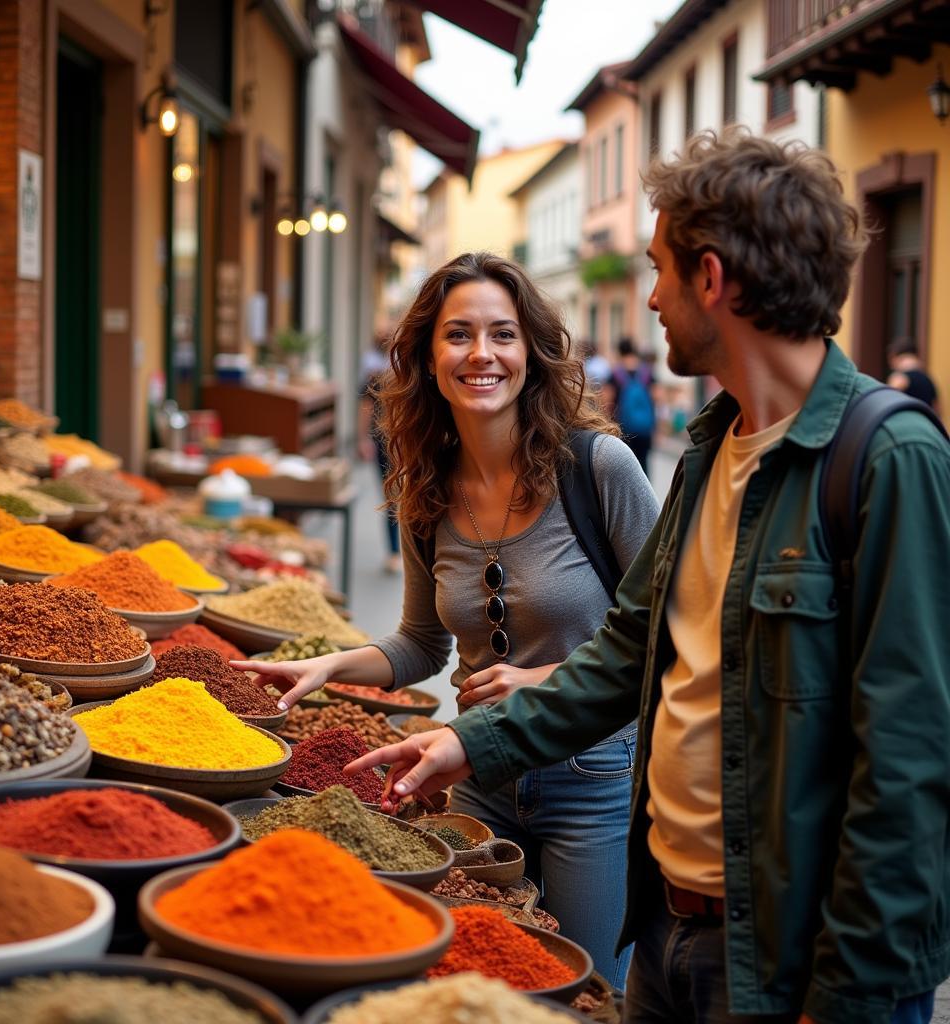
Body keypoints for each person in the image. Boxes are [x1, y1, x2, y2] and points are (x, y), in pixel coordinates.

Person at [347, 131, 950, 1024]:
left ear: (712, 278)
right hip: (670, 924)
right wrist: (472, 745)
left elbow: (909, 767)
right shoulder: (711, 453)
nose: (652, 297)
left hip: (791, 961)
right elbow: (631, 651)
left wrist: (850, 993)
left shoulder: (888, 458)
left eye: (660, 269)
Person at [237, 252, 660, 986]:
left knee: (584, 989)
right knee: (471, 985)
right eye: (459, 334)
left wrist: (545, 679)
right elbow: (420, 645)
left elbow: (676, 629)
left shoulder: (599, 470)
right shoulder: (423, 490)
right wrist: (331, 665)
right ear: (429, 358)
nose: (481, 354)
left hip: (595, 780)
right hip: (478, 775)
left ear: (531, 351)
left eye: (502, 334)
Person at [358, 332, 401, 573]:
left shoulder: (414, 374)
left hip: (407, 443)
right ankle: (394, 551)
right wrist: (363, 439)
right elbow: (366, 407)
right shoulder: (376, 377)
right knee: (392, 498)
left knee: (400, 498)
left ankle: (401, 552)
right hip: (386, 443)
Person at [606, 337, 656, 474]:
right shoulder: (647, 372)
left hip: (623, 428)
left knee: (625, 467)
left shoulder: (615, 374)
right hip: (645, 428)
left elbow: (607, 402)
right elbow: (657, 398)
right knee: (644, 463)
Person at [886, 337, 941, 417]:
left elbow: (886, 402)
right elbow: (937, 410)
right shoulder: (928, 379)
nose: (891, 366)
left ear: (896, 357)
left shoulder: (899, 378)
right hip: (925, 425)